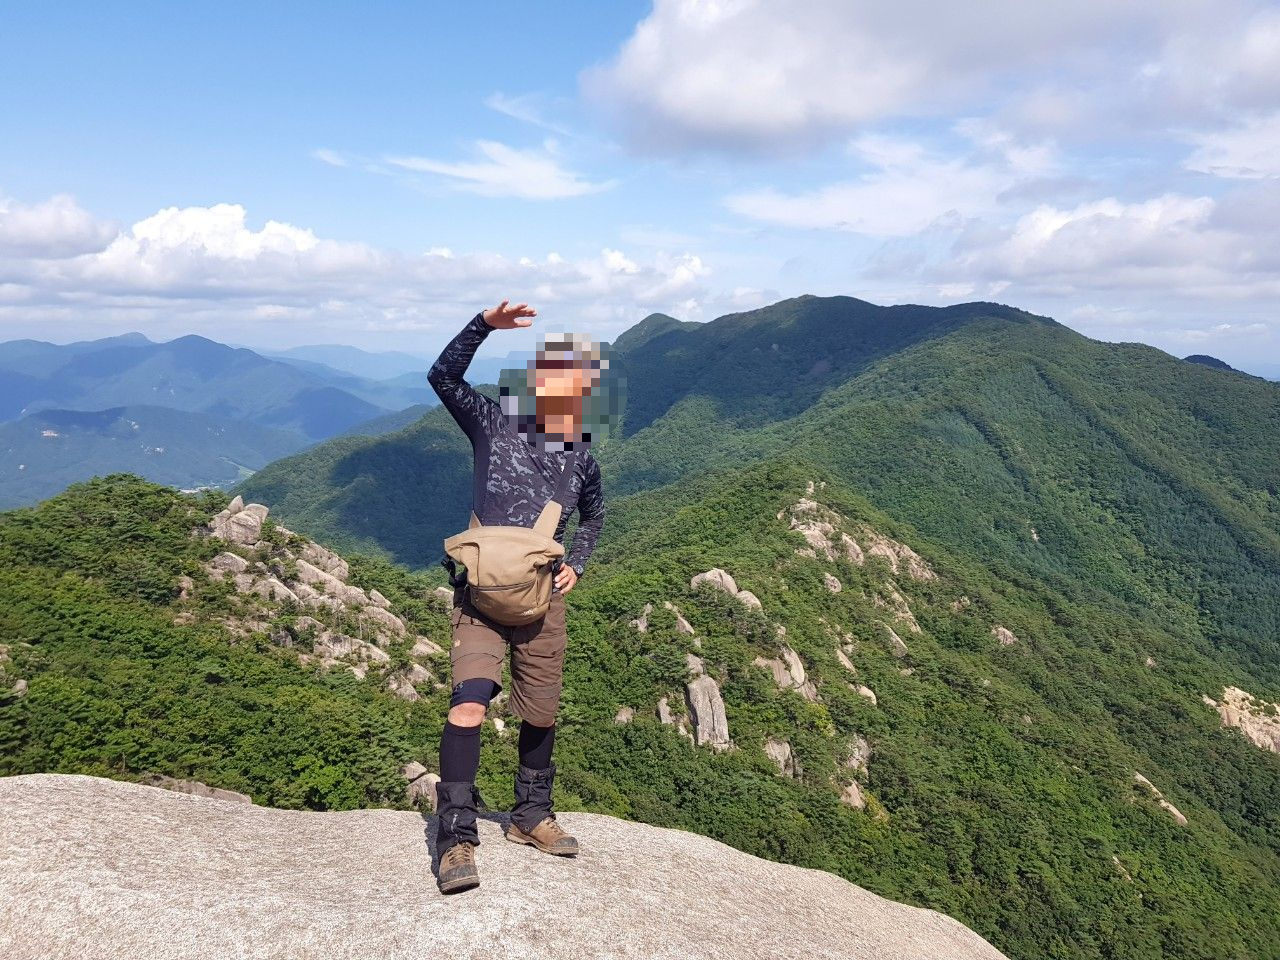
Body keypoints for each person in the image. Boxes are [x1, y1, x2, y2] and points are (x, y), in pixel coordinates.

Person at [426, 299, 606, 894]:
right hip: (480, 599)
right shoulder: (492, 423)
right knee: (469, 705)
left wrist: (578, 563)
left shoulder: (581, 458)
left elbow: (595, 517)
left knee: (541, 712)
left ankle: (529, 817)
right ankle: (455, 836)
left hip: (543, 601)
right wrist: (484, 325)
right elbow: (442, 376)